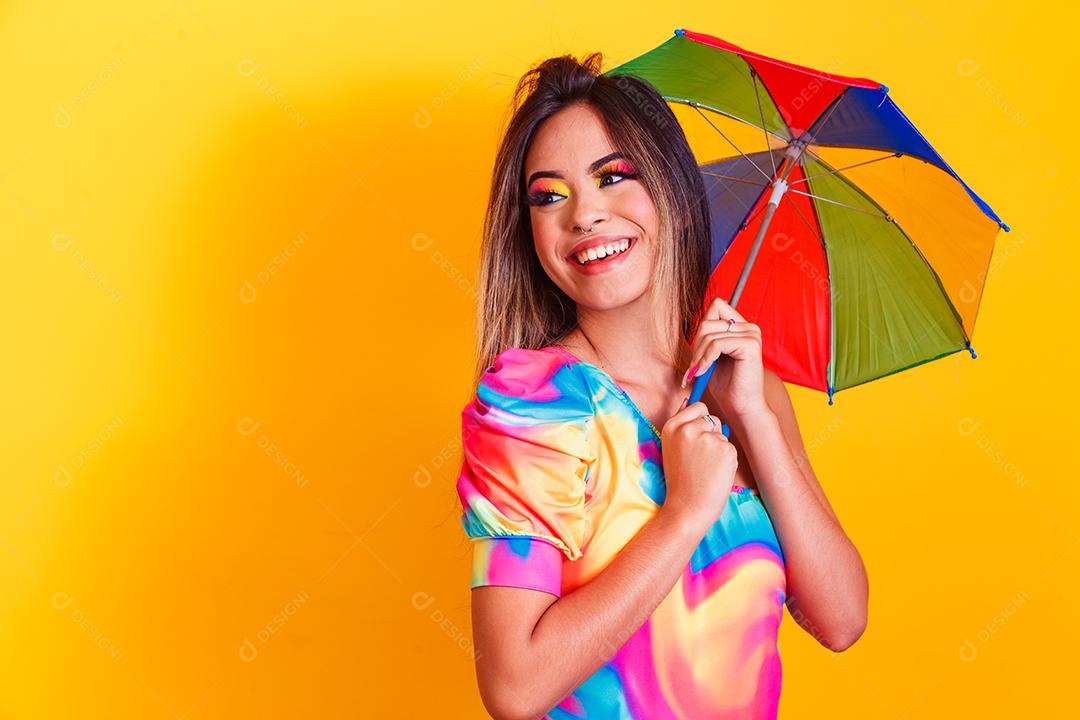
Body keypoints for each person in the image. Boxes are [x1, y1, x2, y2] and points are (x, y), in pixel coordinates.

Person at [455, 51, 868, 720]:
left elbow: (842, 618)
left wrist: (753, 416)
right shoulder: (535, 406)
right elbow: (515, 687)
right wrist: (684, 513)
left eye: (613, 177)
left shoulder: (743, 388)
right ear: (529, 233)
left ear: (673, 193)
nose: (584, 216)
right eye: (549, 195)